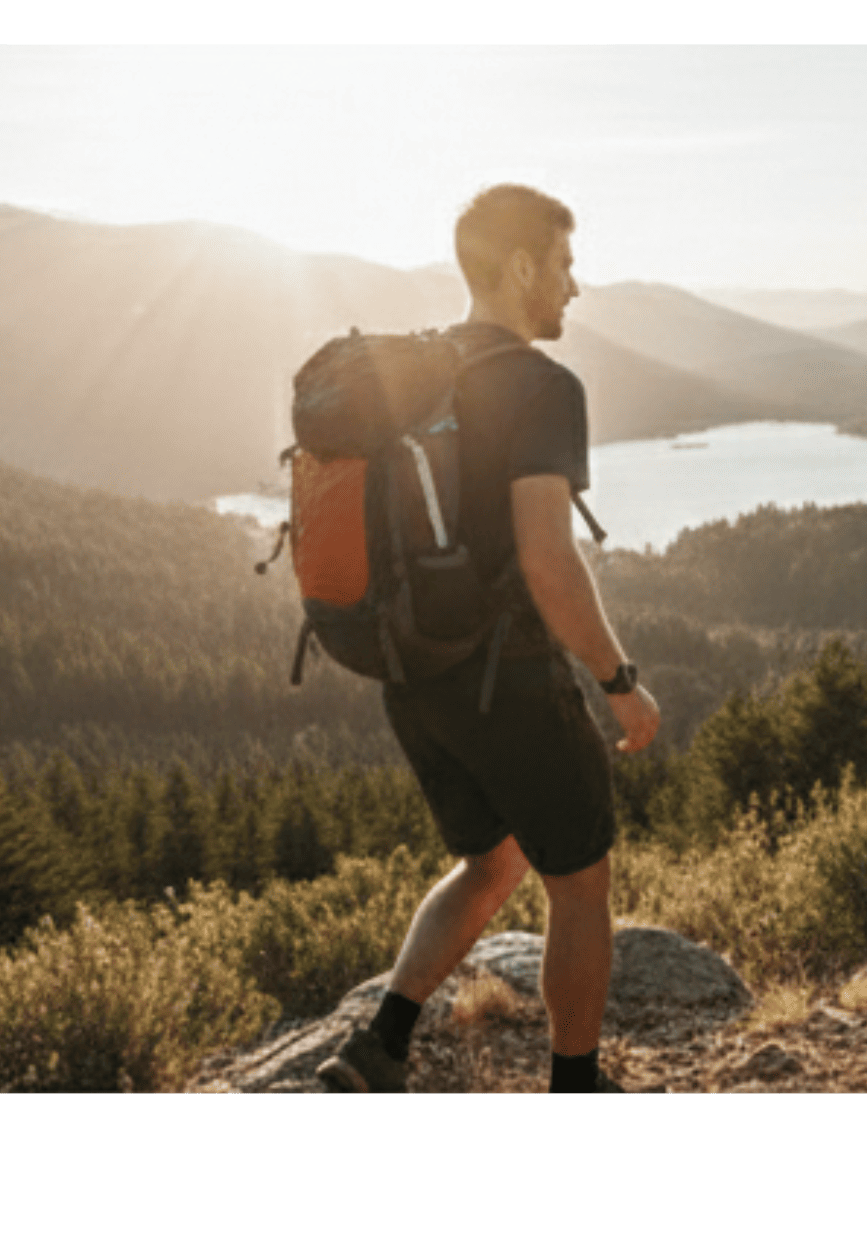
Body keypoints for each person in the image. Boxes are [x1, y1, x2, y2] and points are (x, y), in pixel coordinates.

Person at [317, 184, 661, 1094]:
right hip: (506, 676)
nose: (573, 289)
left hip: (415, 674)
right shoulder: (543, 387)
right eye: (564, 265)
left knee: (491, 858)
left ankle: (380, 1045)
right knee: (579, 885)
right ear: (519, 268)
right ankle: (576, 1087)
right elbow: (550, 560)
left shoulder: (413, 375)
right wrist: (618, 680)